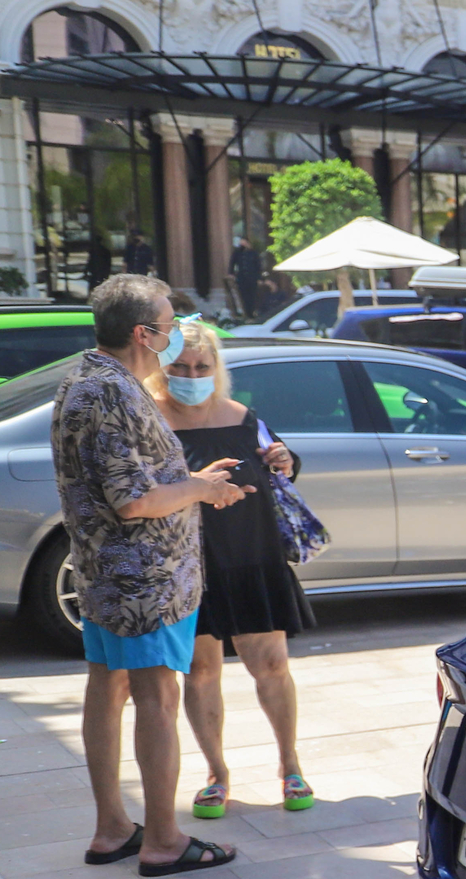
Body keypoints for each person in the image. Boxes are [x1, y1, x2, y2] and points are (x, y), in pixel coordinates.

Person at [56, 275, 249, 878]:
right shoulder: (111, 392)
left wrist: (192, 478)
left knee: (107, 690)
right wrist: (202, 489)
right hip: (143, 585)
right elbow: (133, 501)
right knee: (156, 700)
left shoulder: (90, 380)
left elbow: (133, 478)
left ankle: (114, 828)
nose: (172, 335)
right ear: (144, 333)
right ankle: (163, 840)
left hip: (110, 577)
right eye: (166, 325)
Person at [153, 320, 314, 819]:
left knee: (271, 665)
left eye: (202, 367)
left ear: (217, 369)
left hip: (252, 555)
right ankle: (216, 774)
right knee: (201, 672)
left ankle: (291, 766)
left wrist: (286, 458)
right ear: (163, 367)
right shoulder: (152, 419)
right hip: (187, 564)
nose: (191, 375)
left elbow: (281, 462)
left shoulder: (243, 417)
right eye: (180, 366)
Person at [229, 237, 266, 319]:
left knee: (252, 296)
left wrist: (259, 278)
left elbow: (258, 266)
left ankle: (252, 312)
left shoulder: (253, 253)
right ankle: (246, 313)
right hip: (242, 278)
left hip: (252, 278)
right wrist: (231, 273)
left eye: (244, 242)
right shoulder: (237, 253)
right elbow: (232, 263)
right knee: (243, 296)